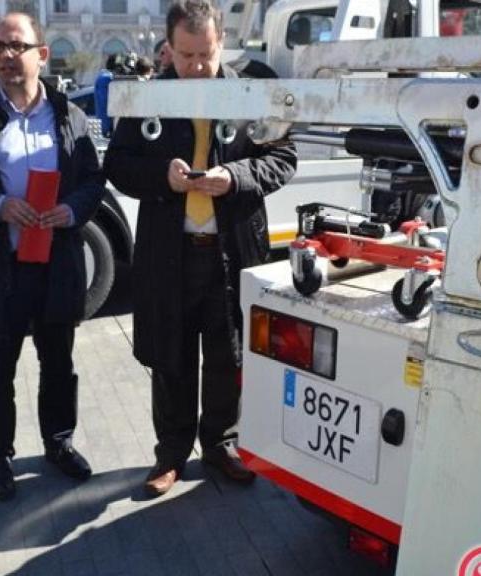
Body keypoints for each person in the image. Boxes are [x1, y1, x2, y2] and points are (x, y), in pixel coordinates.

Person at [103, 0, 297, 497]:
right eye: (185, 56)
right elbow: (119, 166)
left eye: (205, 55)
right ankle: (170, 453)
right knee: (170, 356)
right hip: (170, 253)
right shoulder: (149, 98)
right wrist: (162, 178)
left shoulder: (250, 91)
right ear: (168, 48)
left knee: (228, 354)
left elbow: (283, 157)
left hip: (231, 250)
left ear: (220, 41)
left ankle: (219, 443)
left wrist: (236, 176)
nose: (196, 68)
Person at [0, 12, 106, 501]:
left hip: (56, 262)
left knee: (58, 362)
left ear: (41, 54)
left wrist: (71, 210)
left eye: (15, 46)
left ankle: (58, 443)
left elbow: (91, 181)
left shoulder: (69, 115)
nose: (3, 56)